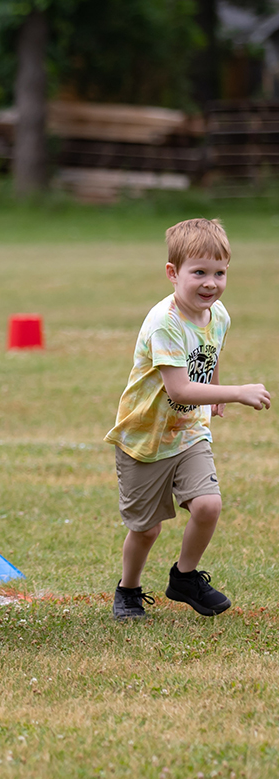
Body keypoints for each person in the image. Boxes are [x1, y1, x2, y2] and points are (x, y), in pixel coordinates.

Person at [105, 218, 269, 620]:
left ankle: (184, 576)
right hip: (145, 438)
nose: (210, 283)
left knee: (208, 505)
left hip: (190, 433)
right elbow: (178, 389)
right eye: (199, 272)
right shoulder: (165, 322)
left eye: (219, 273)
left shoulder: (218, 314)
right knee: (147, 530)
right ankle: (128, 590)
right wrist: (235, 392)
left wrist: (212, 387)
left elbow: (209, 352)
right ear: (172, 273)